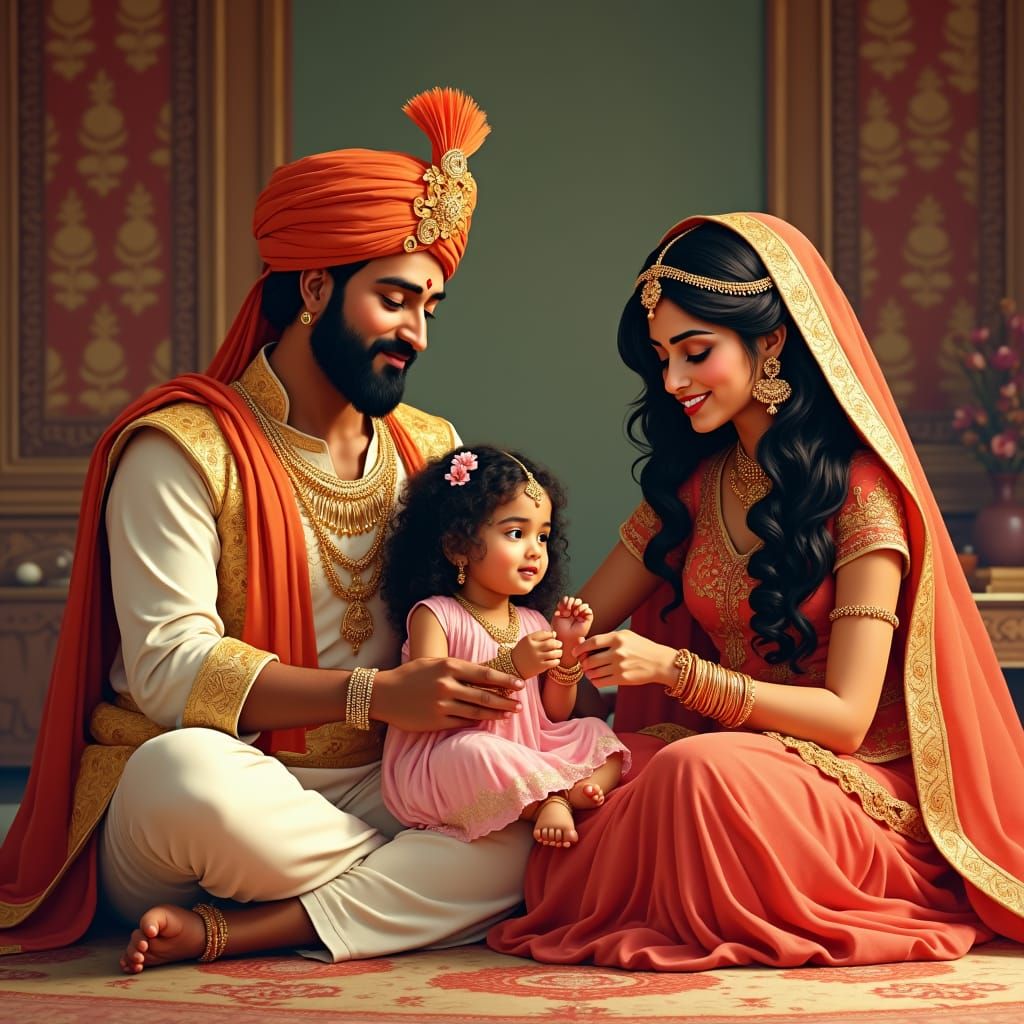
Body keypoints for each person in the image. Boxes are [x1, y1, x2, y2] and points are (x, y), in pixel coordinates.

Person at [0, 87, 536, 970]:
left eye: (430, 309)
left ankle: (259, 923)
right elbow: (169, 670)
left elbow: (476, 614)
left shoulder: (431, 448)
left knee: (530, 804)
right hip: (227, 792)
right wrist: (374, 696)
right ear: (316, 286)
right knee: (187, 777)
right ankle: (414, 888)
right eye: (395, 299)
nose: (417, 334)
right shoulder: (182, 447)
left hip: (387, 784)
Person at [489, 212, 1024, 970]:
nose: (673, 381)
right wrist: (526, 653)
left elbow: (847, 720)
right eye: (661, 358)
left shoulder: (861, 495)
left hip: (849, 781)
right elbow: (560, 625)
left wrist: (676, 671)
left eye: (695, 352)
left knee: (690, 773)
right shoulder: (691, 491)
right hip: (733, 759)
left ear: (770, 342)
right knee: (591, 773)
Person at [380, 445, 629, 849]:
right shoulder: (435, 615)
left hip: (524, 749)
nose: (535, 550)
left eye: (543, 536)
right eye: (516, 533)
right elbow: (429, 701)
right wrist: (513, 664)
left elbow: (554, 714)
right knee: (475, 751)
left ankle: (557, 795)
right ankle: (552, 799)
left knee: (595, 732)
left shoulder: (531, 621)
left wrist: (567, 652)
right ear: (457, 546)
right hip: (447, 756)